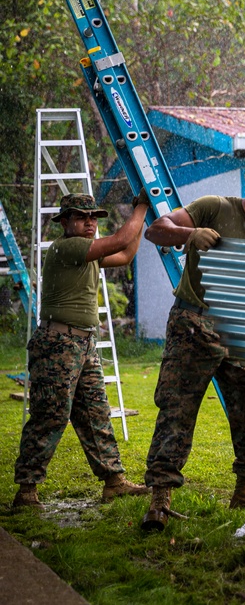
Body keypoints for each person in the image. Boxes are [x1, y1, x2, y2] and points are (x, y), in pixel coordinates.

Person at [140, 157, 245, 531]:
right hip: (193, 324)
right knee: (177, 411)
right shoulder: (215, 207)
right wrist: (188, 236)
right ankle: (159, 501)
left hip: (238, 334)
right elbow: (156, 231)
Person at [13, 192, 151, 509]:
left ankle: (114, 482)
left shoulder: (87, 253)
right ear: (64, 223)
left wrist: (138, 216)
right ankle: (26, 491)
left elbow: (126, 253)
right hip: (58, 345)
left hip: (83, 343)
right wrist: (142, 207)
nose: (89, 223)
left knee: (95, 413)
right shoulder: (67, 247)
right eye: (80, 217)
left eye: (92, 218)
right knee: (50, 415)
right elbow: (120, 239)